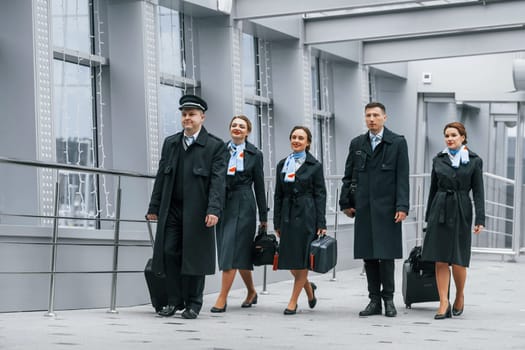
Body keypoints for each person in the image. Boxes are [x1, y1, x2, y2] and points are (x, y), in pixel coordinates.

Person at [146, 94, 228, 319]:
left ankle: (194, 303)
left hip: (198, 211)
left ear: (202, 117)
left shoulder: (215, 146)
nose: (187, 118)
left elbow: (218, 182)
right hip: (171, 209)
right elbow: (161, 177)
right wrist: (154, 206)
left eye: (191, 114)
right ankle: (173, 301)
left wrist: (214, 209)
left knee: (194, 257)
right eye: (184, 114)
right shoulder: (171, 143)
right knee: (169, 252)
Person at [339, 102, 409, 318]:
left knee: (386, 255)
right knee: (368, 255)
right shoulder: (357, 143)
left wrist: (402, 206)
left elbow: (402, 177)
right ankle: (374, 300)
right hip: (364, 207)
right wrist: (345, 203)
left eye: (376, 115)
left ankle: (389, 299)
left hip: (388, 208)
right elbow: (349, 175)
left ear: (384, 117)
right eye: (368, 115)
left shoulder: (397, 142)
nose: (371, 119)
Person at [422, 122, 485, 320]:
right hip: (440, 208)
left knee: (459, 259)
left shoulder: (474, 161)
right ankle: (443, 302)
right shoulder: (438, 159)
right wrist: (428, 217)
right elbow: (433, 189)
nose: (450, 138)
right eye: (447, 135)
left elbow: (479, 191)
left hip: (461, 209)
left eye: (454, 135)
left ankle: (459, 295)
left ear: (463, 137)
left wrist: (480, 218)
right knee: (440, 258)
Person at [210, 115, 268, 313]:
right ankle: (251, 291)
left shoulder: (255, 154)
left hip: (244, 204)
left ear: (248, 131)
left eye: (241, 126)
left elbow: (259, 187)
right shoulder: (220, 150)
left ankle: (222, 297)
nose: (237, 128)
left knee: (230, 250)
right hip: (224, 204)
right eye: (234, 125)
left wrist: (264, 217)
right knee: (239, 252)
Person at [274, 126, 327, 315]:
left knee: (302, 260)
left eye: (301, 138)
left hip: (307, 215)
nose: (296, 140)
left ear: (308, 142)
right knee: (290, 261)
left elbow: (320, 194)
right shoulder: (282, 164)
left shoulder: (315, 165)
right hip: (287, 215)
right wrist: (277, 222)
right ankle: (309, 290)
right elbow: (278, 194)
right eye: (294, 137)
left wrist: (321, 223)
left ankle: (293, 301)